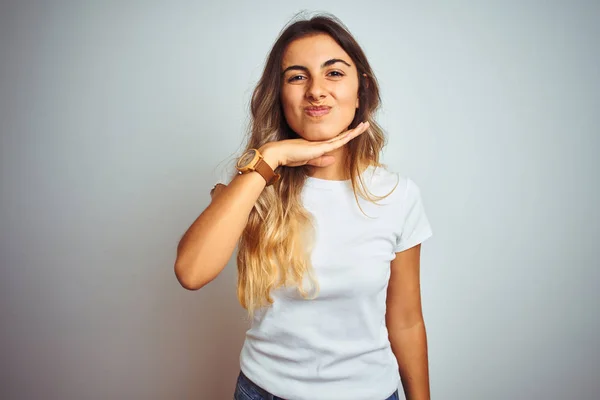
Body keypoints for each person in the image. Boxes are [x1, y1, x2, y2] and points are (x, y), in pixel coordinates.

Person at [175, 13, 433, 400]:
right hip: (262, 392)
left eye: (333, 73)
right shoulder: (256, 181)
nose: (316, 90)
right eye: (297, 77)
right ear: (279, 94)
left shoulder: (398, 195)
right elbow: (191, 272)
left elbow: (407, 320)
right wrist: (272, 156)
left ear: (361, 89)